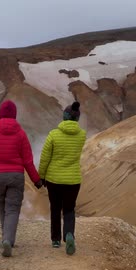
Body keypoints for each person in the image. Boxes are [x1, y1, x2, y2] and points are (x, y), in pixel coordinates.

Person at [0, 100, 43, 257]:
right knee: (12, 210)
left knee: (2, 208)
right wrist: (36, 180)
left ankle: (5, 240)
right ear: (14, 115)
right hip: (16, 176)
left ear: (0, 114)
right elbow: (28, 161)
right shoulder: (21, 134)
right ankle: (8, 240)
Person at [38, 102, 86, 255]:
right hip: (73, 180)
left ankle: (56, 240)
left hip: (54, 179)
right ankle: (69, 235)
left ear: (64, 116)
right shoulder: (82, 135)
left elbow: (45, 158)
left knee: (55, 208)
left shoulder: (53, 134)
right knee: (69, 209)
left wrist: (41, 176)